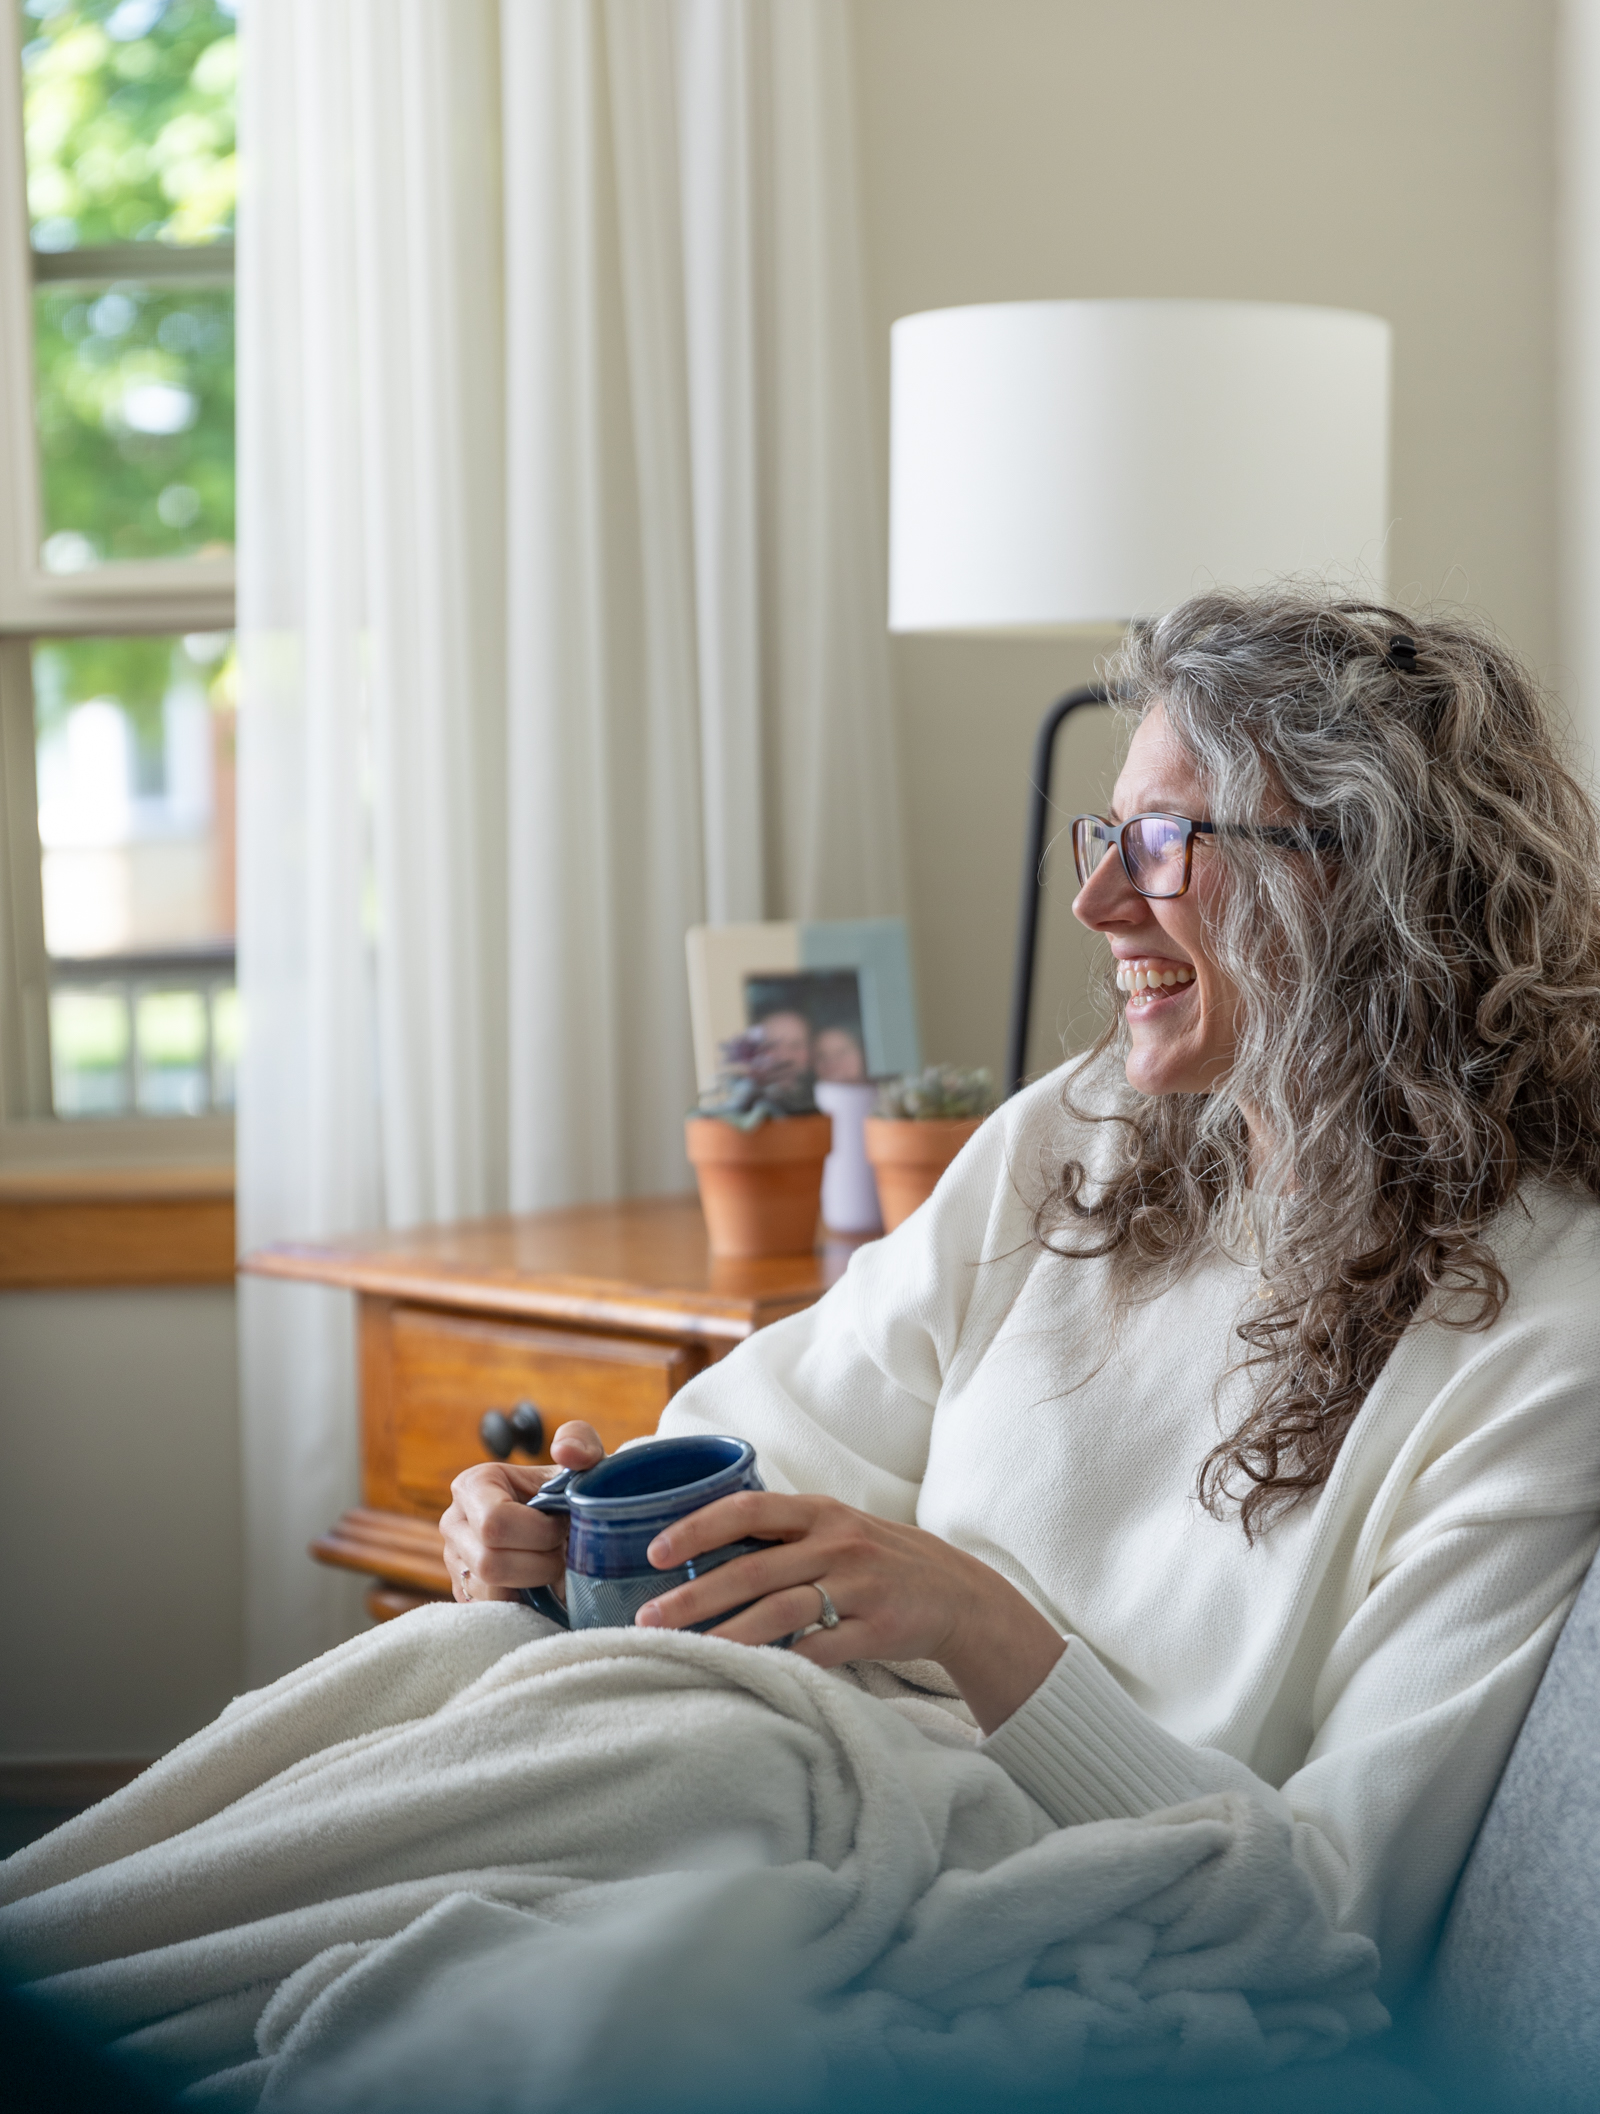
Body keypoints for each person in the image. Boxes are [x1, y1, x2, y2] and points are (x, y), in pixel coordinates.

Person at [445, 592, 1600, 1996]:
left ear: (1365, 881)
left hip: (961, 1885)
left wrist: (979, 1627)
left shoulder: (1542, 1337)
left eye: (1166, 841)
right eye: (1107, 834)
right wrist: (550, 1537)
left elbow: (1331, 1912)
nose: (1098, 899)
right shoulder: (1080, 1135)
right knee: (398, 1728)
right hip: (748, 1754)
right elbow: (767, 1447)